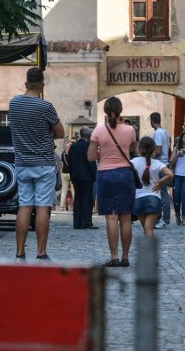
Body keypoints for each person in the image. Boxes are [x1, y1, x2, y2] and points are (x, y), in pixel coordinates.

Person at [8, 67, 64, 262]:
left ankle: (20, 251)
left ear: (26, 84)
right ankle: (41, 252)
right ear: (42, 86)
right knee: (42, 206)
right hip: (43, 163)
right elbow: (61, 132)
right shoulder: (45, 107)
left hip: (22, 162)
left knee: (24, 205)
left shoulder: (13, 104)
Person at [88, 97, 137, 267]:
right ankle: (125, 257)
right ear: (121, 110)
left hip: (106, 174)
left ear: (106, 111)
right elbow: (132, 148)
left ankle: (114, 256)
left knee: (111, 217)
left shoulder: (98, 131)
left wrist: (103, 153)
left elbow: (91, 156)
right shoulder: (130, 130)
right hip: (125, 173)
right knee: (126, 218)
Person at [131, 136, 174, 236]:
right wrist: (159, 183)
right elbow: (170, 174)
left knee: (146, 228)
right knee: (149, 228)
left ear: (139, 148)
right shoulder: (157, 163)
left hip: (139, 199)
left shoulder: (133, 162)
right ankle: (150, 250)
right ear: (153, 149)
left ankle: (147, 250)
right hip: (154, 198)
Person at [67, 127, 98, 230]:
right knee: (87, 199)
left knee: (78, 199)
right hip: (87, 176)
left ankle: (77, 222)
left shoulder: (73, 147)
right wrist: (95, 176)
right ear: (89, 136)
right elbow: (91, 162)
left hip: (76, 176)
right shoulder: (88, 146)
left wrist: (72, 175)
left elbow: (70, 163)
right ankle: (86, 222)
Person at [149, 112, 172, 229]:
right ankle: (160, 218)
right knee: (161, 192)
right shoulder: (165, 132)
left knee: (162, 193)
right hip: (165, 163)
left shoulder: (158, 133)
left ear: (151, 121)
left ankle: (164, 219)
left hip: (160, 165)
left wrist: (147, 160)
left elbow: (158, 151)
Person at [59, 136, 74, 211]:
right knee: (74, 191)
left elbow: (61, 164)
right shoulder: (73, 154)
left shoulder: (63, 154)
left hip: (64, 173)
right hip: (71, 173)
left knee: (64, 191)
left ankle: (61, 206)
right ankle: (75, 206)